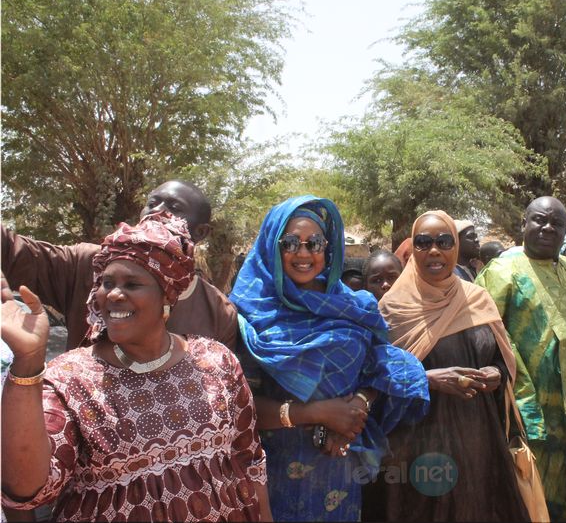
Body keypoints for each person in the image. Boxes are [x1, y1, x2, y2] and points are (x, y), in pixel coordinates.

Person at [0, 212, 270, 521]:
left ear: (166, 295)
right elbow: (27, 489)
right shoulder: (71, 380)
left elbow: (249, 461)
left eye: (132, 283)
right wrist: (28, 362)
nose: (114, 294)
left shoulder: (216, 361)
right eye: (106, 282)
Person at [229, 196, 429, 522]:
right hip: (272, 473)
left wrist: (360, 404)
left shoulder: (352, 304)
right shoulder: (249, 310)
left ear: (328, 247)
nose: (304, 253)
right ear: (271, 246)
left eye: (315, 243)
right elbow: (236, 404)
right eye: (290, 243)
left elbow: (384, 363)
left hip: (339, 468)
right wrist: (314, 412)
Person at [365, 210, 529, 521]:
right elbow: (374, 375)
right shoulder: (392, 310)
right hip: (415, 442)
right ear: (413, 250)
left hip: (476, 437)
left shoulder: (478, 299)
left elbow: (501, 357)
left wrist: (497, 372)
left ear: (455, 247)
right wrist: (426, 379)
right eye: (424, 243)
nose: (435, 251)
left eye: (444, 241)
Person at [476, 196, 566, 521]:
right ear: (523, 225)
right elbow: (488, 339)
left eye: (557, 223)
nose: (547, 228)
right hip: (540, 419)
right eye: (539, 220)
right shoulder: (501, 272)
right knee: (543, 503)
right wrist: (524, 407)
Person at [1, 180, 238, 351]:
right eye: (152, 203)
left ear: (201, 232)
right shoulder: (88, 264)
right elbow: (13, 252)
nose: (157, 211)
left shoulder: (218, 312)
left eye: (174, 208)